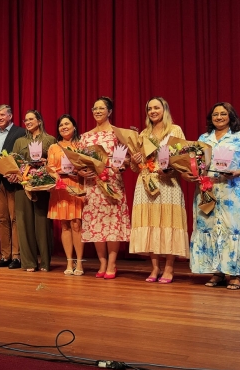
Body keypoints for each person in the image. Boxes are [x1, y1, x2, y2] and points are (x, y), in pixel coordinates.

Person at [185, 102, 240, 290]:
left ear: (231, 116)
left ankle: (235, 274)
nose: (219, 117)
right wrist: (192, 173)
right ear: (211, 118)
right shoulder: (204, 138)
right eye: (215, 114)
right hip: (208, 190)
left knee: (234, 230)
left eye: (223, 114)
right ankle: (218, 271)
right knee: (211, 228)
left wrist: (238, 171)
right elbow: (198, 164)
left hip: (234, 192)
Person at [129, 97, 189, 283]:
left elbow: (183, 156)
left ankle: (169, 268)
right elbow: (134, 167)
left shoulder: (175, 130)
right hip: (146, 182)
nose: (153, 111)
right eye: (149, 109)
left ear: (165, 109)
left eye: (156, 107)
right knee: (150, 221)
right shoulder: (143, 134)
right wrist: (135, 159)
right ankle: (155, 268)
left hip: (168, 182)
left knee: (168, 221)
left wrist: (169, 166)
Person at [78, 96, 131, 279]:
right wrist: (83, 172)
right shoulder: (85, 136)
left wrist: (123, 164)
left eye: (102, 108)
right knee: (96, 223)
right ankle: (102, 262)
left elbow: (127, 158)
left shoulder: (118, 133)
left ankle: (112, 263)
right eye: (95, 108)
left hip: (112, 182)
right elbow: (79, 161)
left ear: (109, 112)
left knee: (112, 223)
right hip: (93, 185)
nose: (98, 111)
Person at [9, 110, 56, 272]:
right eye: (25, 120)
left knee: (42, 224)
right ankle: (29, 262)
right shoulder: (19, 141)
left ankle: (45, 262)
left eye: (31, 119)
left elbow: (55, 163)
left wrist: (46, 163)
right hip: (22, 186)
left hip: (42, 186)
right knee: (23, 223)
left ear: (39, 121)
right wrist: (13, 175)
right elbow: (13, 163)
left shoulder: (50, 140)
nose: (27, 122)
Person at [0, 104, 26, 269]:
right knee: (2, 219)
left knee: (15, 219)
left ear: (10, 116)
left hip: (14, 182)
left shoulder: (20, 132)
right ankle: (5, 255)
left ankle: (17, 256)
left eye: (2, 115)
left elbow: (23, 157)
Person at [47, 114, 85, 275]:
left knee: (76, 224)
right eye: (61, 125)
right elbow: (49, 167)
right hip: (61, 187)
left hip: (76, 186)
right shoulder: (53, 147)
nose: (64, 127)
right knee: (64, 225)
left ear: (74, 126)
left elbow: (87, 166)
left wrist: (77, 171)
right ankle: (69, 262)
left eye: (67, 124)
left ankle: (80, 263)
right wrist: (58, 175)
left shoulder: (81, 145)